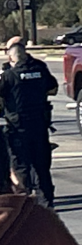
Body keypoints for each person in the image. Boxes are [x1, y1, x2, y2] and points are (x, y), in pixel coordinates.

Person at [0, 37, 58, 208]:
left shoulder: (9, 76)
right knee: (42, 167)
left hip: (18, 128)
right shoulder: (40, 68)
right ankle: (46, 204)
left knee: (21, 167)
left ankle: (24, 205)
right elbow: (53, 89)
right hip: (39, 125)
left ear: (11, 55)